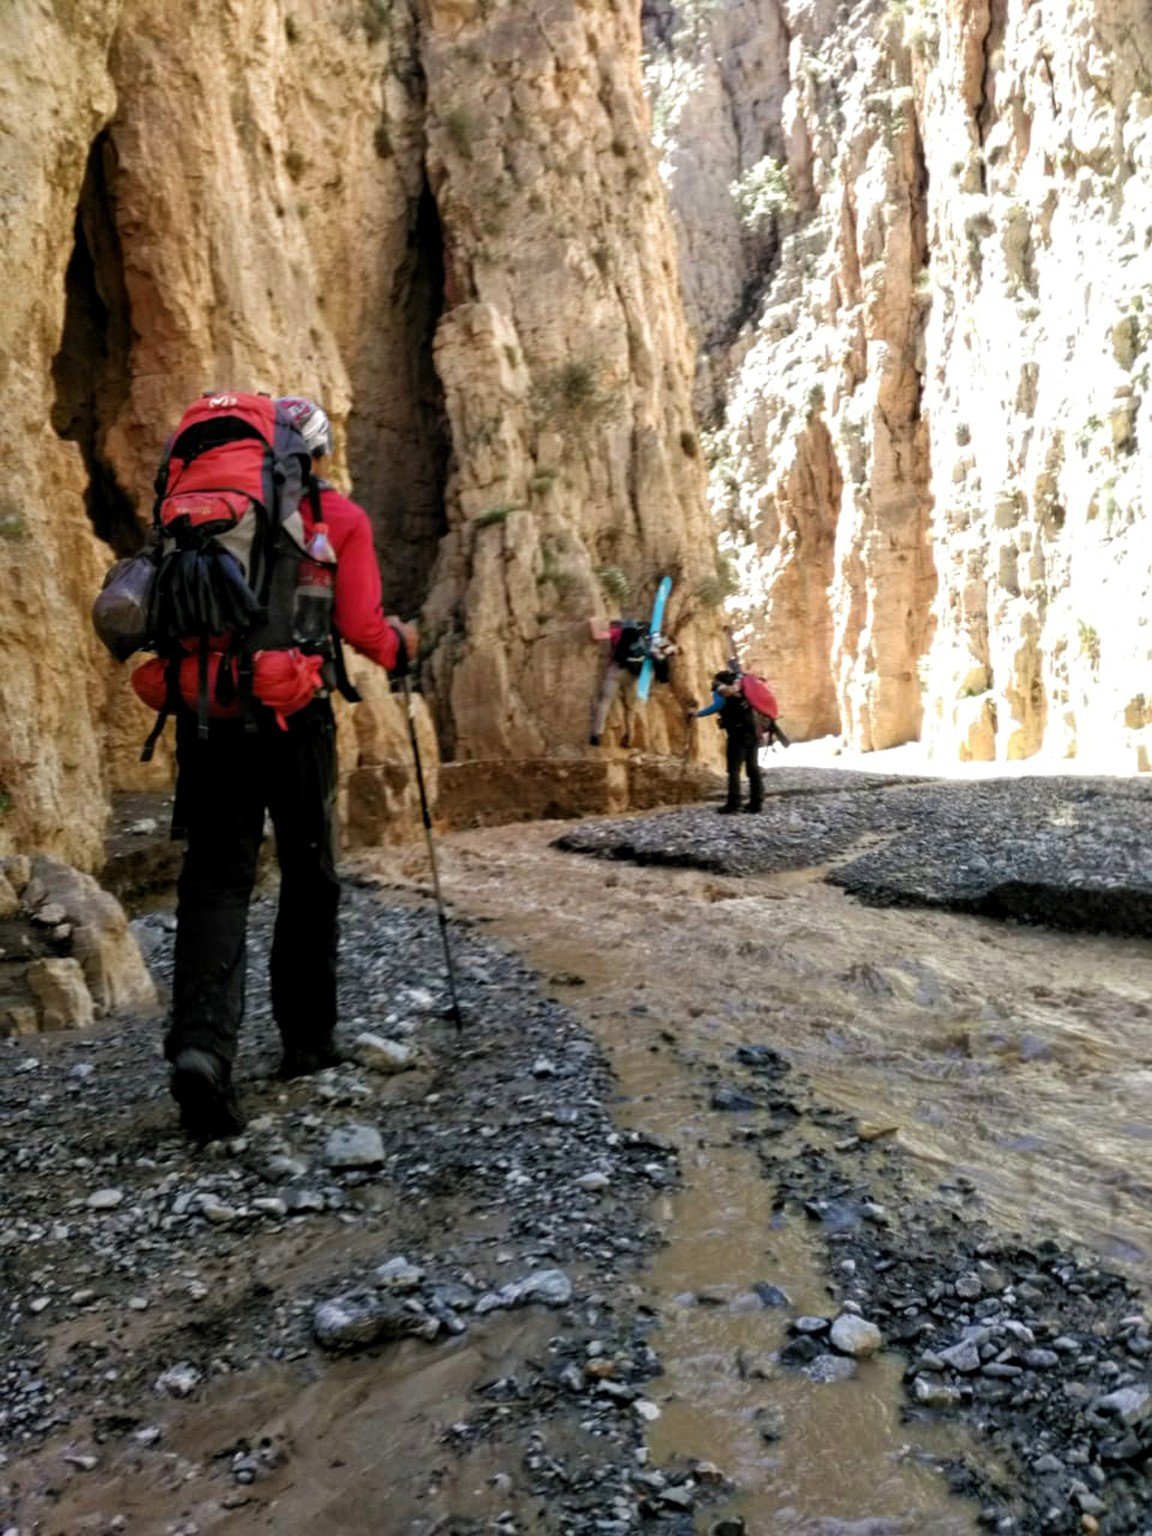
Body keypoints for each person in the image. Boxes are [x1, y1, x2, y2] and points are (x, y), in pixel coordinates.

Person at [167, 395, 416, 1141]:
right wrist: (403, 648)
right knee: (309, 874)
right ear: (317, 455)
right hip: (292, 714)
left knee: (215, 878)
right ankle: (307, 1044)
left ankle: (200, 1050)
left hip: (206, 708)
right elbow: (361, 628)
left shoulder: (199, 506)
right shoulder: (337, 518)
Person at [587, 616, 677, 745]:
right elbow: (659, 671)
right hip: (633, 677)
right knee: (630, 709)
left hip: (616, 671)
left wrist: (593, 622)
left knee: (605, 702)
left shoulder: (620, 632)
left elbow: (597, 636)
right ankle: (629, 738)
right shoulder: (650, 643)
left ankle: (596, 734)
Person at [690, 670, 764, 814]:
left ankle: (734, 804)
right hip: (753, 731)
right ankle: (756, 803)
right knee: (753, 768)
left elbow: (716, 706)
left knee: (734, 769)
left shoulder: (721, 690)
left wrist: (696, 714)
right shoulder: (744, 690)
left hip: (737, 734)